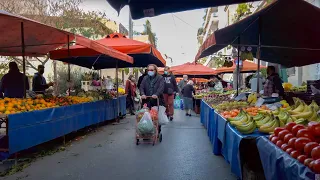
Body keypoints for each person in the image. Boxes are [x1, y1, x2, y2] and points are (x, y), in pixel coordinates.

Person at [140, 64, 164, 134]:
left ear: (155, 70)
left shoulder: (160, 78)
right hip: (147, 100)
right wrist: (142, 94)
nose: (150, 71)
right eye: (148, 70)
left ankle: (158, 130)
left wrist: (156, 94)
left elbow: (161, 88)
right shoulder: (145, 78)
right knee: (146, 115)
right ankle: (146, 130)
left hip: (157, 100)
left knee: (156, 116)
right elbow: (141, 87)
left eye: (151, 70)